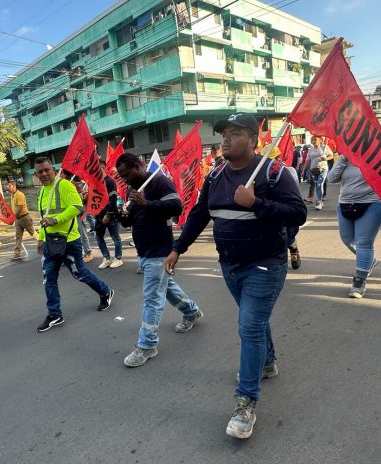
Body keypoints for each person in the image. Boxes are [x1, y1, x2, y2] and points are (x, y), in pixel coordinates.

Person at [165, 114, 307, 439]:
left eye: (235, 133)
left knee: (249, 327)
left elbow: (298, 213)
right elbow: (201, 213)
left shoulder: (274, 172)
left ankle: (245, 403)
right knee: (253, 321)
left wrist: (256, 203)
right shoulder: (215, 174)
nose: (225, 139)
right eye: (224, 134)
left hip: (265, 265)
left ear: (254, 140)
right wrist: (178, 248)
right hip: (229, 266)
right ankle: (268, 363)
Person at [116, 153, 202, 367]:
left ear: (139, 166)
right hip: (144, 250)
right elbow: (134, 219)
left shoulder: (159, 181)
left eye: (127, 174)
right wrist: (124, 216)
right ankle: (191, 312)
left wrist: (146, 203)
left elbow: (176, 207)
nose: (125, 180)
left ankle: (147, 345)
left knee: (152, 298)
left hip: (160, 250)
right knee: (168, 288)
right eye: (122, 176)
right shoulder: (131, 189)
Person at [34, 157, 114, 332]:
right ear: (36, 174)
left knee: (80, 274)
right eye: (40, 171)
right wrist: (41, 237)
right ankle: (55, 314)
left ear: (53, 170)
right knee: (49, 278)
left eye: (47, 170)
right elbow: (44, 217)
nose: (44, 174)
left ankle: (105, 291)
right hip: (50, 243)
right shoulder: (41, 192)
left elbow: (77, 207)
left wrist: (56, 219)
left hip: (69, 242)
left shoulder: (64, 185)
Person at [328, 155, 381, 298]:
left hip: (372, 203)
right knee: (347, 240)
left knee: (363, 242)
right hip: (345, 204)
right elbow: (331, 179)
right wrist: (343, 160)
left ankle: (360, 280)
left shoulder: (378, 157)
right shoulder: (344, 158)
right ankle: (369, 260)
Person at [96, 159, 123, 269]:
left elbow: (113, 199)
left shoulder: (110, 181)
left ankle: (118, 258)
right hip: (98, 216)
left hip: (110, 215)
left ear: (102, 167)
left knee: (115, 237)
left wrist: (108, 214)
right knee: (98, 237)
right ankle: (106, 258)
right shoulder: (95, 182)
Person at [8, 180, 37, 260]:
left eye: (9, 186)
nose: (8, 188)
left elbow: (20, 208)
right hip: (17, 219)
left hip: (25, 218)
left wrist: (13, 217)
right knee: (18, 237)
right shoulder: (12, 195)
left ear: (14, 186)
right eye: (8, 186)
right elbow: (14, 208)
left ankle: (45, 245)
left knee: (33, 233)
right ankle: (17, 254)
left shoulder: (20, 195)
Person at [304, 136, 333, 210]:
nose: (313, 141)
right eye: (312, 140)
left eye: (315, 139)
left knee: (320, 184)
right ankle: (320, 199)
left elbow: (331, 156)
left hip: (323, 169)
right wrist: (303, 170)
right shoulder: (310, 150)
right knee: (317, 185)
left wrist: (325, 158)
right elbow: (307, 160)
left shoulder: (325, 147)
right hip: (313, 170)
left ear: (320, 140)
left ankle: (319, 201)